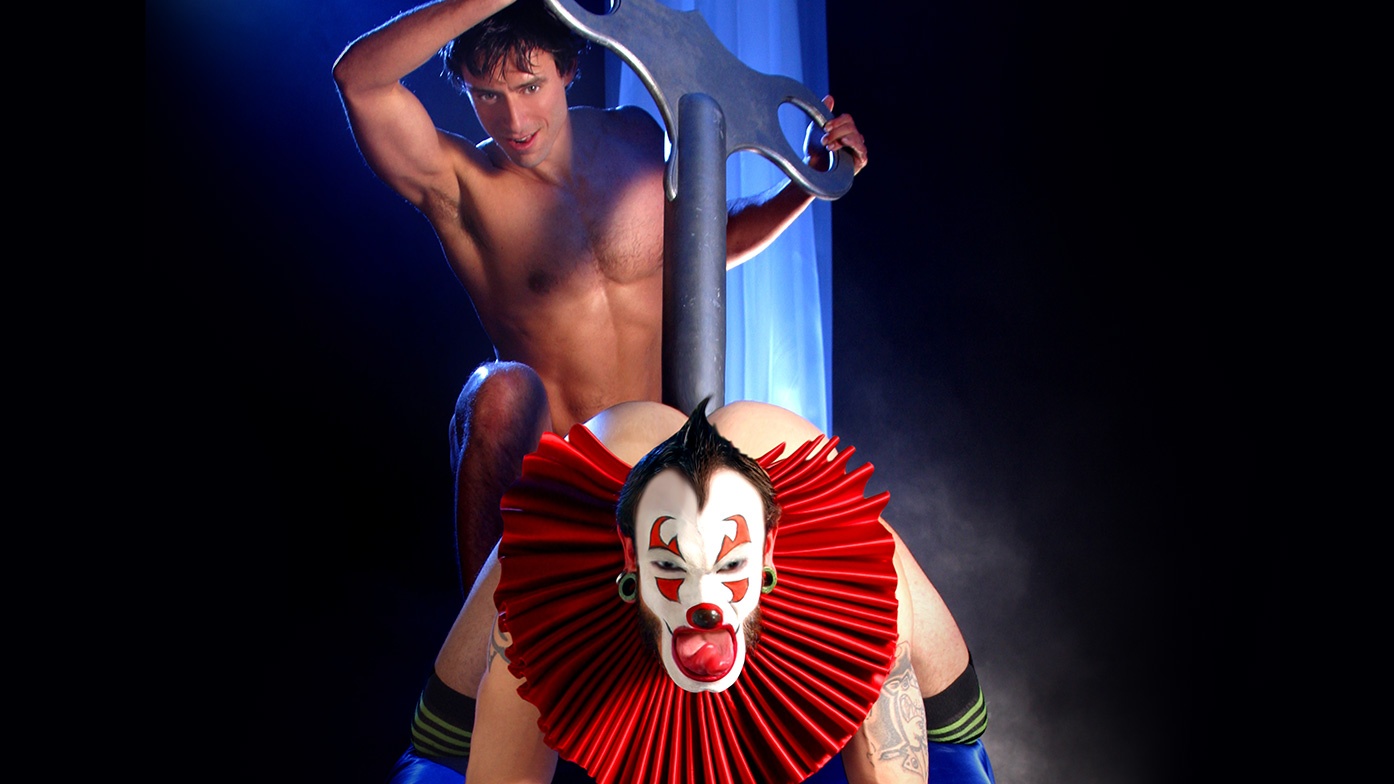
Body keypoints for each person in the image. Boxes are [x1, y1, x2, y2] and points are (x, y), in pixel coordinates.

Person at [465, 399, 994, 783]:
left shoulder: (850, 600)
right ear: (629, 557)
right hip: (618, 483)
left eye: (730, 565)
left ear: (767, 555)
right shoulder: (551, 599)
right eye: (671, 565)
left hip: (897, 710)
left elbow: (891, 763)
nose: (703, 601)